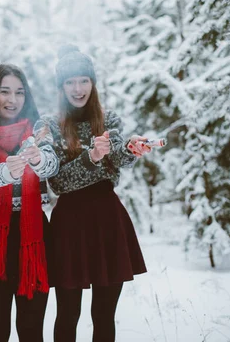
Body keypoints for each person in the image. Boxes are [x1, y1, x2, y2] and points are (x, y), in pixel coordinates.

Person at [38, 45, 151, 342]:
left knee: (103, 315)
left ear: (93, 83)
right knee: (67, 314)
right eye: (70, 82)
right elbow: (57, 184)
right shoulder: (51, 124)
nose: (78, 88)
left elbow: (115, 167)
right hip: (69, 224)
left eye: (84, 80)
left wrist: (130, 150)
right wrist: (91, 159)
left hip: (107, 221)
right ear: (61, 87)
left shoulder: (109, 120)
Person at [0, 64, 59, 342]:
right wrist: (7, 171)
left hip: (34, 238)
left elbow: (52, 165)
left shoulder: (39, 131)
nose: (12, 99)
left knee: (31, 332)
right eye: (5, 91)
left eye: (19, 92)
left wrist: (39, 159)